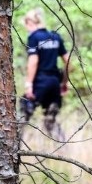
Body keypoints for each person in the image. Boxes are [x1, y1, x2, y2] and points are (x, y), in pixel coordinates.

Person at [20, 8, 70, 140]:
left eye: (26, 26)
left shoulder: (34, 37)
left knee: (23, 114)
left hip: (40, 83)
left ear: (30, 22)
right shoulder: (55, 37)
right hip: (54, 84)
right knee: (50, 120)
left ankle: (11, 149)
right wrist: (64, 83)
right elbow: (68, 61)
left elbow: (33, 61)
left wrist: (29, 84)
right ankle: (63, 149)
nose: (27, 30)